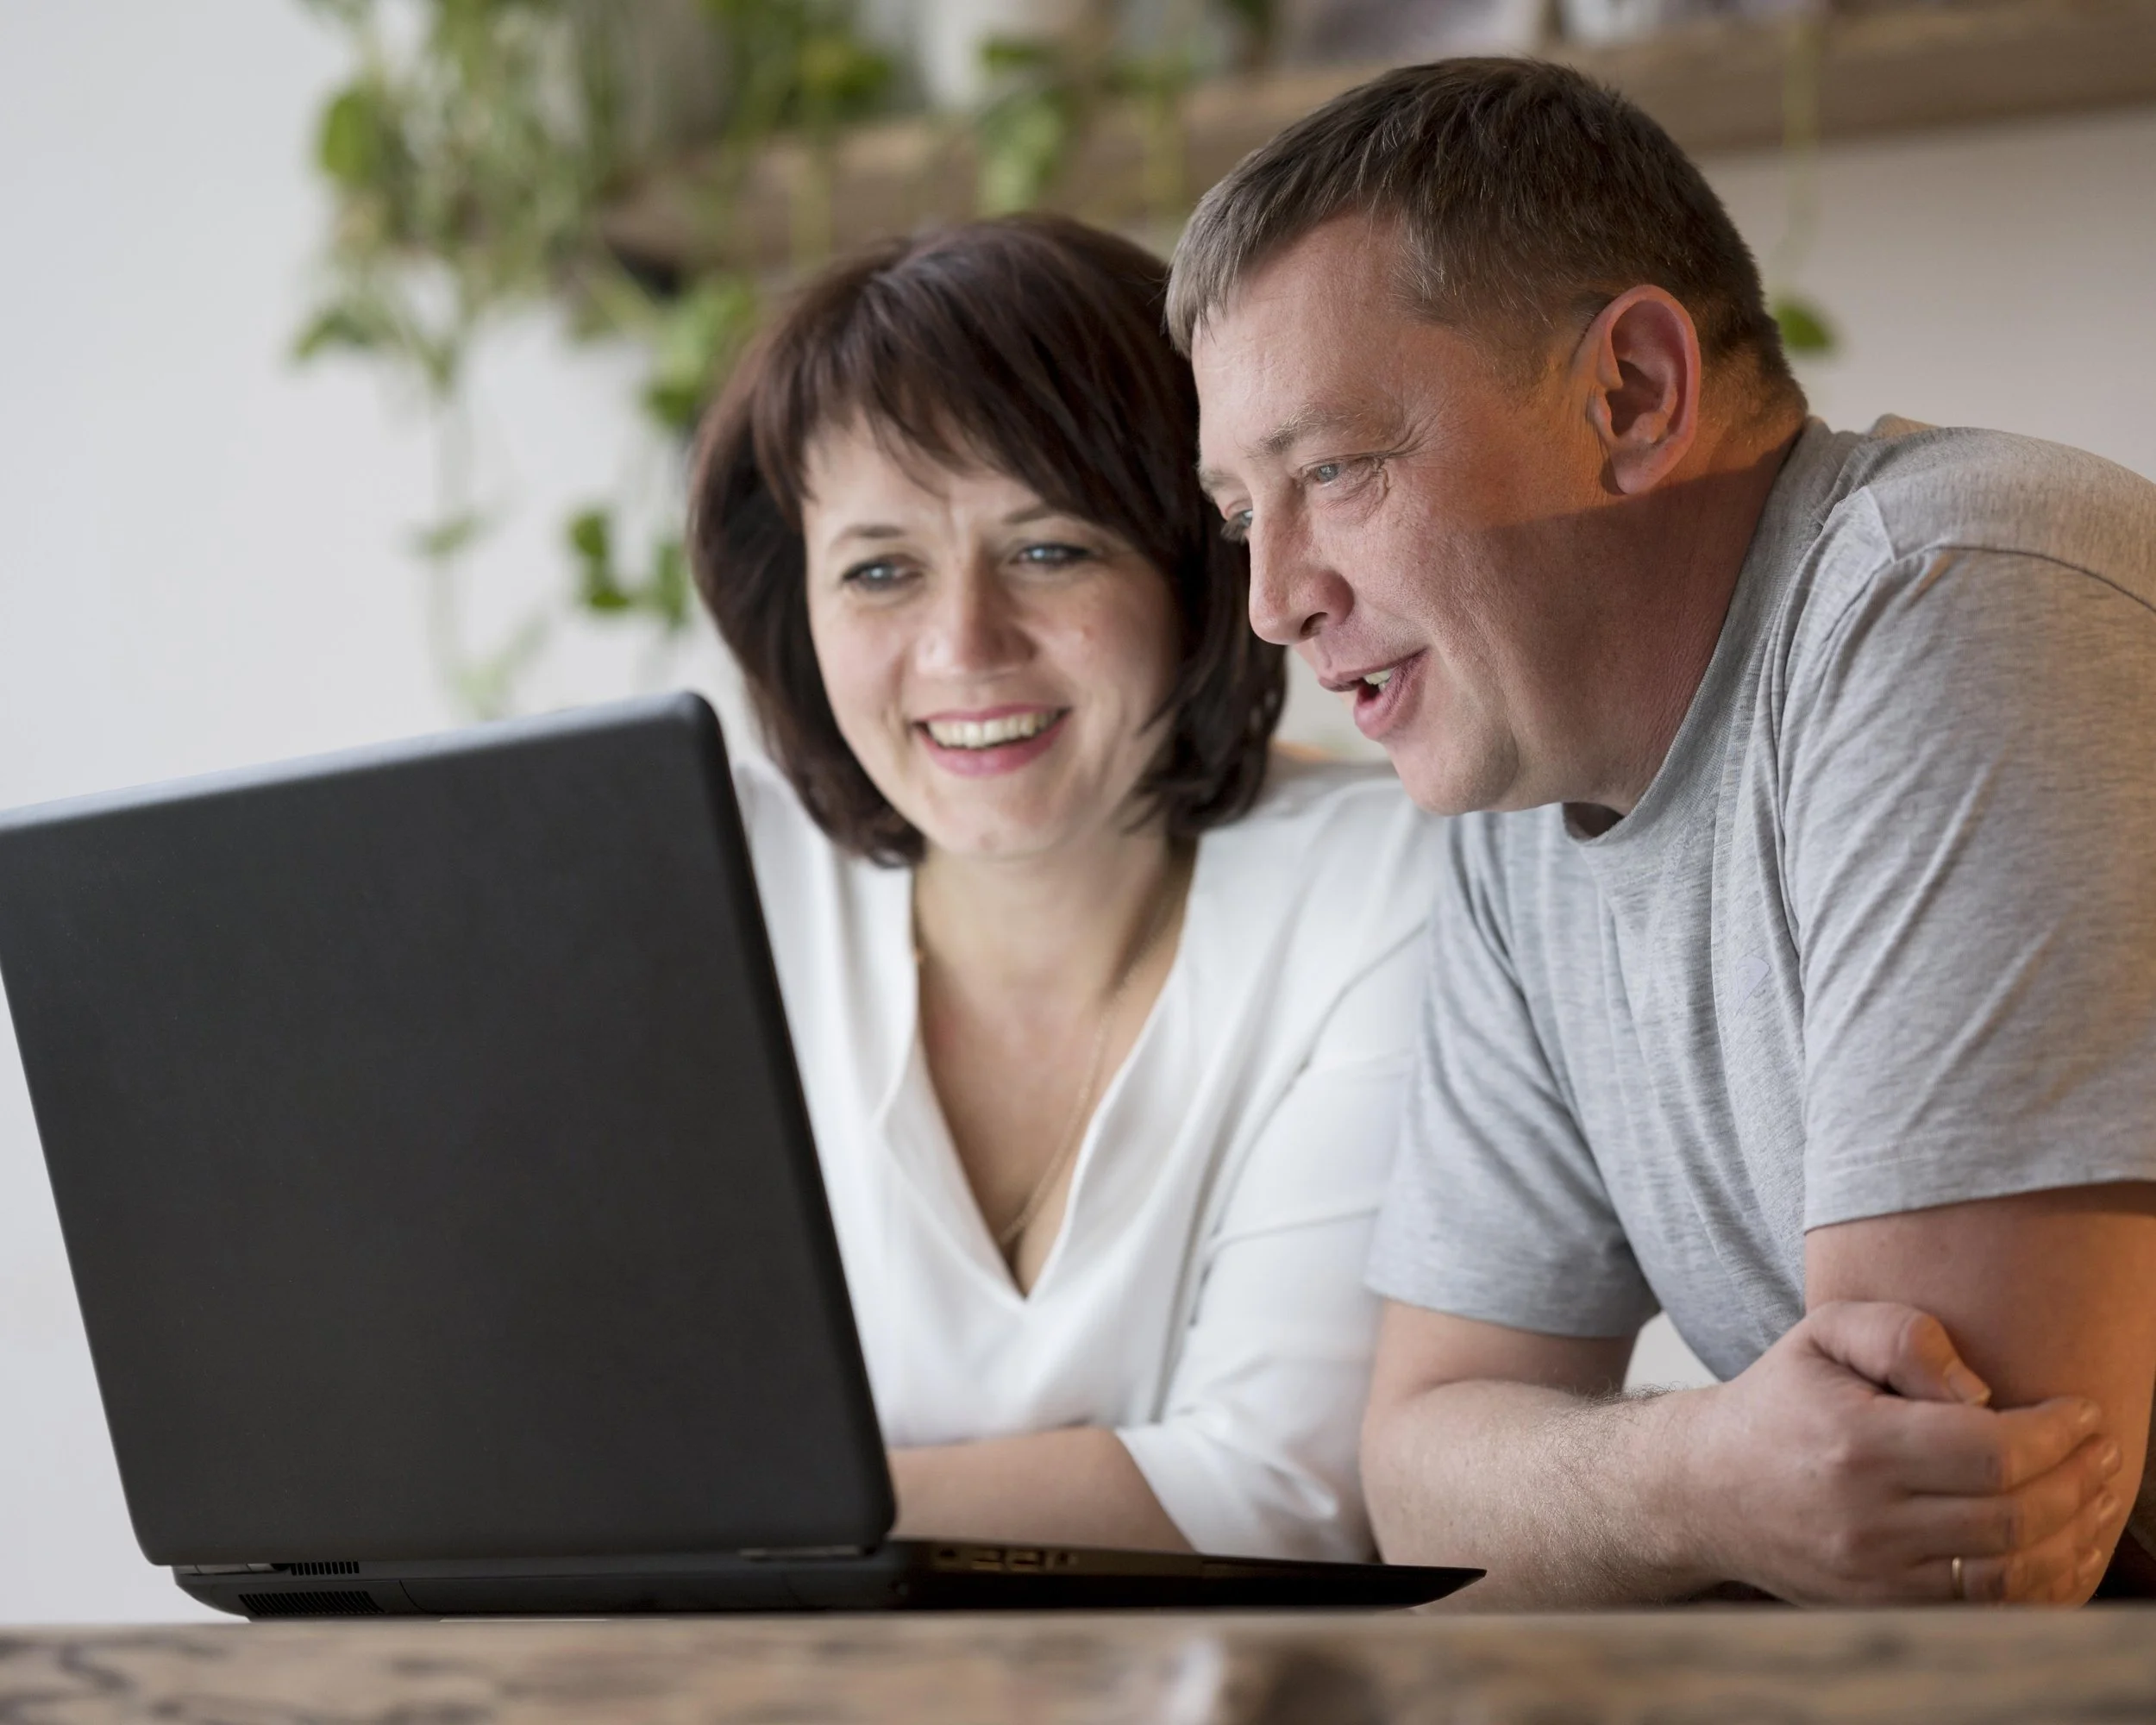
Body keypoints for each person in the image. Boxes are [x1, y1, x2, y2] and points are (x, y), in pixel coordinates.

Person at [1170, 59, 2156, 1604]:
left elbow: (1967, 1553)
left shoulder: (1953, 595)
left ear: (1630, 394)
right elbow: (1418, 1482)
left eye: (1337, 472)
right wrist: (1698, 1480)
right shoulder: (1516, 796)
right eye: (1245, 513)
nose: (1273, 598)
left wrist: (1626, 1495)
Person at [686, 214, 1444, 1561]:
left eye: (1051, 550)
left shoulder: (1384, 882)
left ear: (1194, 568)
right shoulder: (708, 886)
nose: (962, 645)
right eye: (878, 569)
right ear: (793, 614)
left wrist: (736, 1515)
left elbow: (1284, 1499)